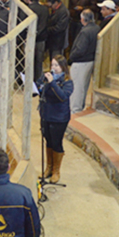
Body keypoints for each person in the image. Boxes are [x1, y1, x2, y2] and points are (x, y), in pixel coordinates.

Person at [37, 56, 73, 184]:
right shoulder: (46, 78)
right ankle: (49, 168)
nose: (53, 68)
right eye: (52, 65)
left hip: (59, 117)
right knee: (48, 141)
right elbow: (39, 89)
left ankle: (56, 171)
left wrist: (52, 83)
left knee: (56, 142)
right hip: (46, 114)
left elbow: (62, 96)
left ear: (63, 67)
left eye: (56, 65)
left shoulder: (68, 82)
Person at [69, 9, 98, 113]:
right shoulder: (96, 28)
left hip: (81, 62)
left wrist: (71, 57)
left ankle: (75, 110)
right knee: (83, 87)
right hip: (90, 60)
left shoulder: (85, 31)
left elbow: (80, 49)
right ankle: (79, 108)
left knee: (77, 88)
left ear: (82, 19)